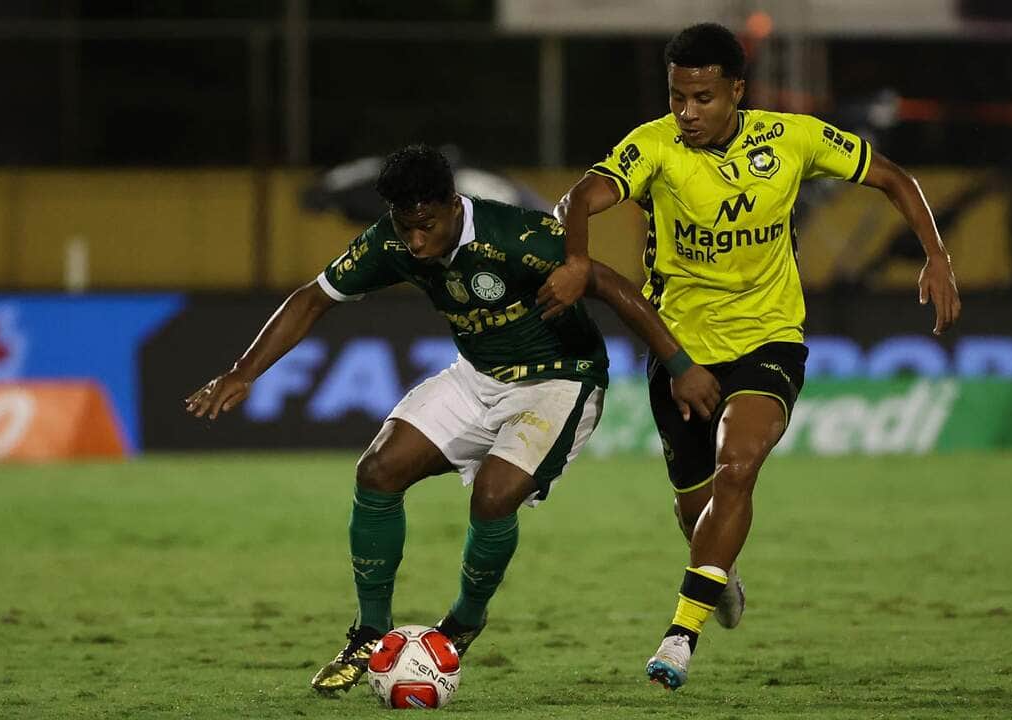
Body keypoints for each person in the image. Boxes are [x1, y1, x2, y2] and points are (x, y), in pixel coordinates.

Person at [184, 144, 720, 694]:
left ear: (453, 205)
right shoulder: (391, 240)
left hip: (559, 378)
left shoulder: (517, 234)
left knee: (492, 496)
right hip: (477, 375)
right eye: (405, 227)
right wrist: (242, 373)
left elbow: (610, 285)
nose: (415, 241)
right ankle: (369, 633)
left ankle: (462, 623)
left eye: (426, 226)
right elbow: (312, 299)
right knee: (377, 470)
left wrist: (680, 365)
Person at [537, 23, 961, 690]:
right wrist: (577, 258)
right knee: (693, 510)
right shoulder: (652, 147)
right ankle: (720, 576)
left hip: (769, 339)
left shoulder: (793, 138)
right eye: (678, 97)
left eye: (703, 98)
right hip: (677, 350)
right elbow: (583, 198)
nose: (687, 112)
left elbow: (891, 177)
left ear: (736, 90)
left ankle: (680, 635)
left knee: (738, 469)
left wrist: (937, 256)